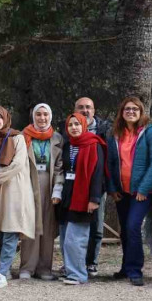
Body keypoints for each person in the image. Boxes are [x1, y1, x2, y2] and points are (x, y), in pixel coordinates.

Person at [107, 96, 152, 286]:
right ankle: (125, 267)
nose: (131, 112)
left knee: (132, 226)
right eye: (127, 109)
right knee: (125, 230)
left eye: (135, 109)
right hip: (122, 191)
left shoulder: (149, 132)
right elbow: (111, 163)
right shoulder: (115, 133)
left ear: (141, 112)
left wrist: (144, 188)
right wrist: (112, 188)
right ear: (122, 112)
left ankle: (136, 270)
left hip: (141, 191)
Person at [0, 106, 37, 289]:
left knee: (11, 229)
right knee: (0, 228)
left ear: (5, 118)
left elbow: (17, 165)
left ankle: (1, 273)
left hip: (15, 190)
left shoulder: (18, 137)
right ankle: (5, 268)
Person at [53, 113, 107, 285]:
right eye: (70, 125)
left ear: (84, 126)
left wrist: (94, 198)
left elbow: (98, 174)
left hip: (83, 199)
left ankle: (78, 275)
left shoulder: (93, 144)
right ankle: (71, 271)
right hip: (67, 197)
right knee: (65, 239)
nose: (74, 127)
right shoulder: (68, 145)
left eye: (77, 124)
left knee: (75, 240)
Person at [19, 103, 64, 281]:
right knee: (30, 225)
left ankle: (44, 268)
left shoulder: (57, 138)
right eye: (38, 114)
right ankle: (27, 267)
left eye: (45, 114)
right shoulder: (23, 136)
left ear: (50, 116)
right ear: (33, 116)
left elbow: (60, 165)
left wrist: (58, 189)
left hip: (49, 183)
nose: (42, 118)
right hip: (29, 182)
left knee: (47, 225)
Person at [73, 97, 112, 277]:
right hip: (75, 184)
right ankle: (75, 262)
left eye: (88, 107)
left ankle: (91, 262)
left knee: (96, 225)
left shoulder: (105, 130)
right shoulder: (71, 128)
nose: (85, 110)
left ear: (94, 110)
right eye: (81, 107)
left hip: (98, 184)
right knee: (75, 225)